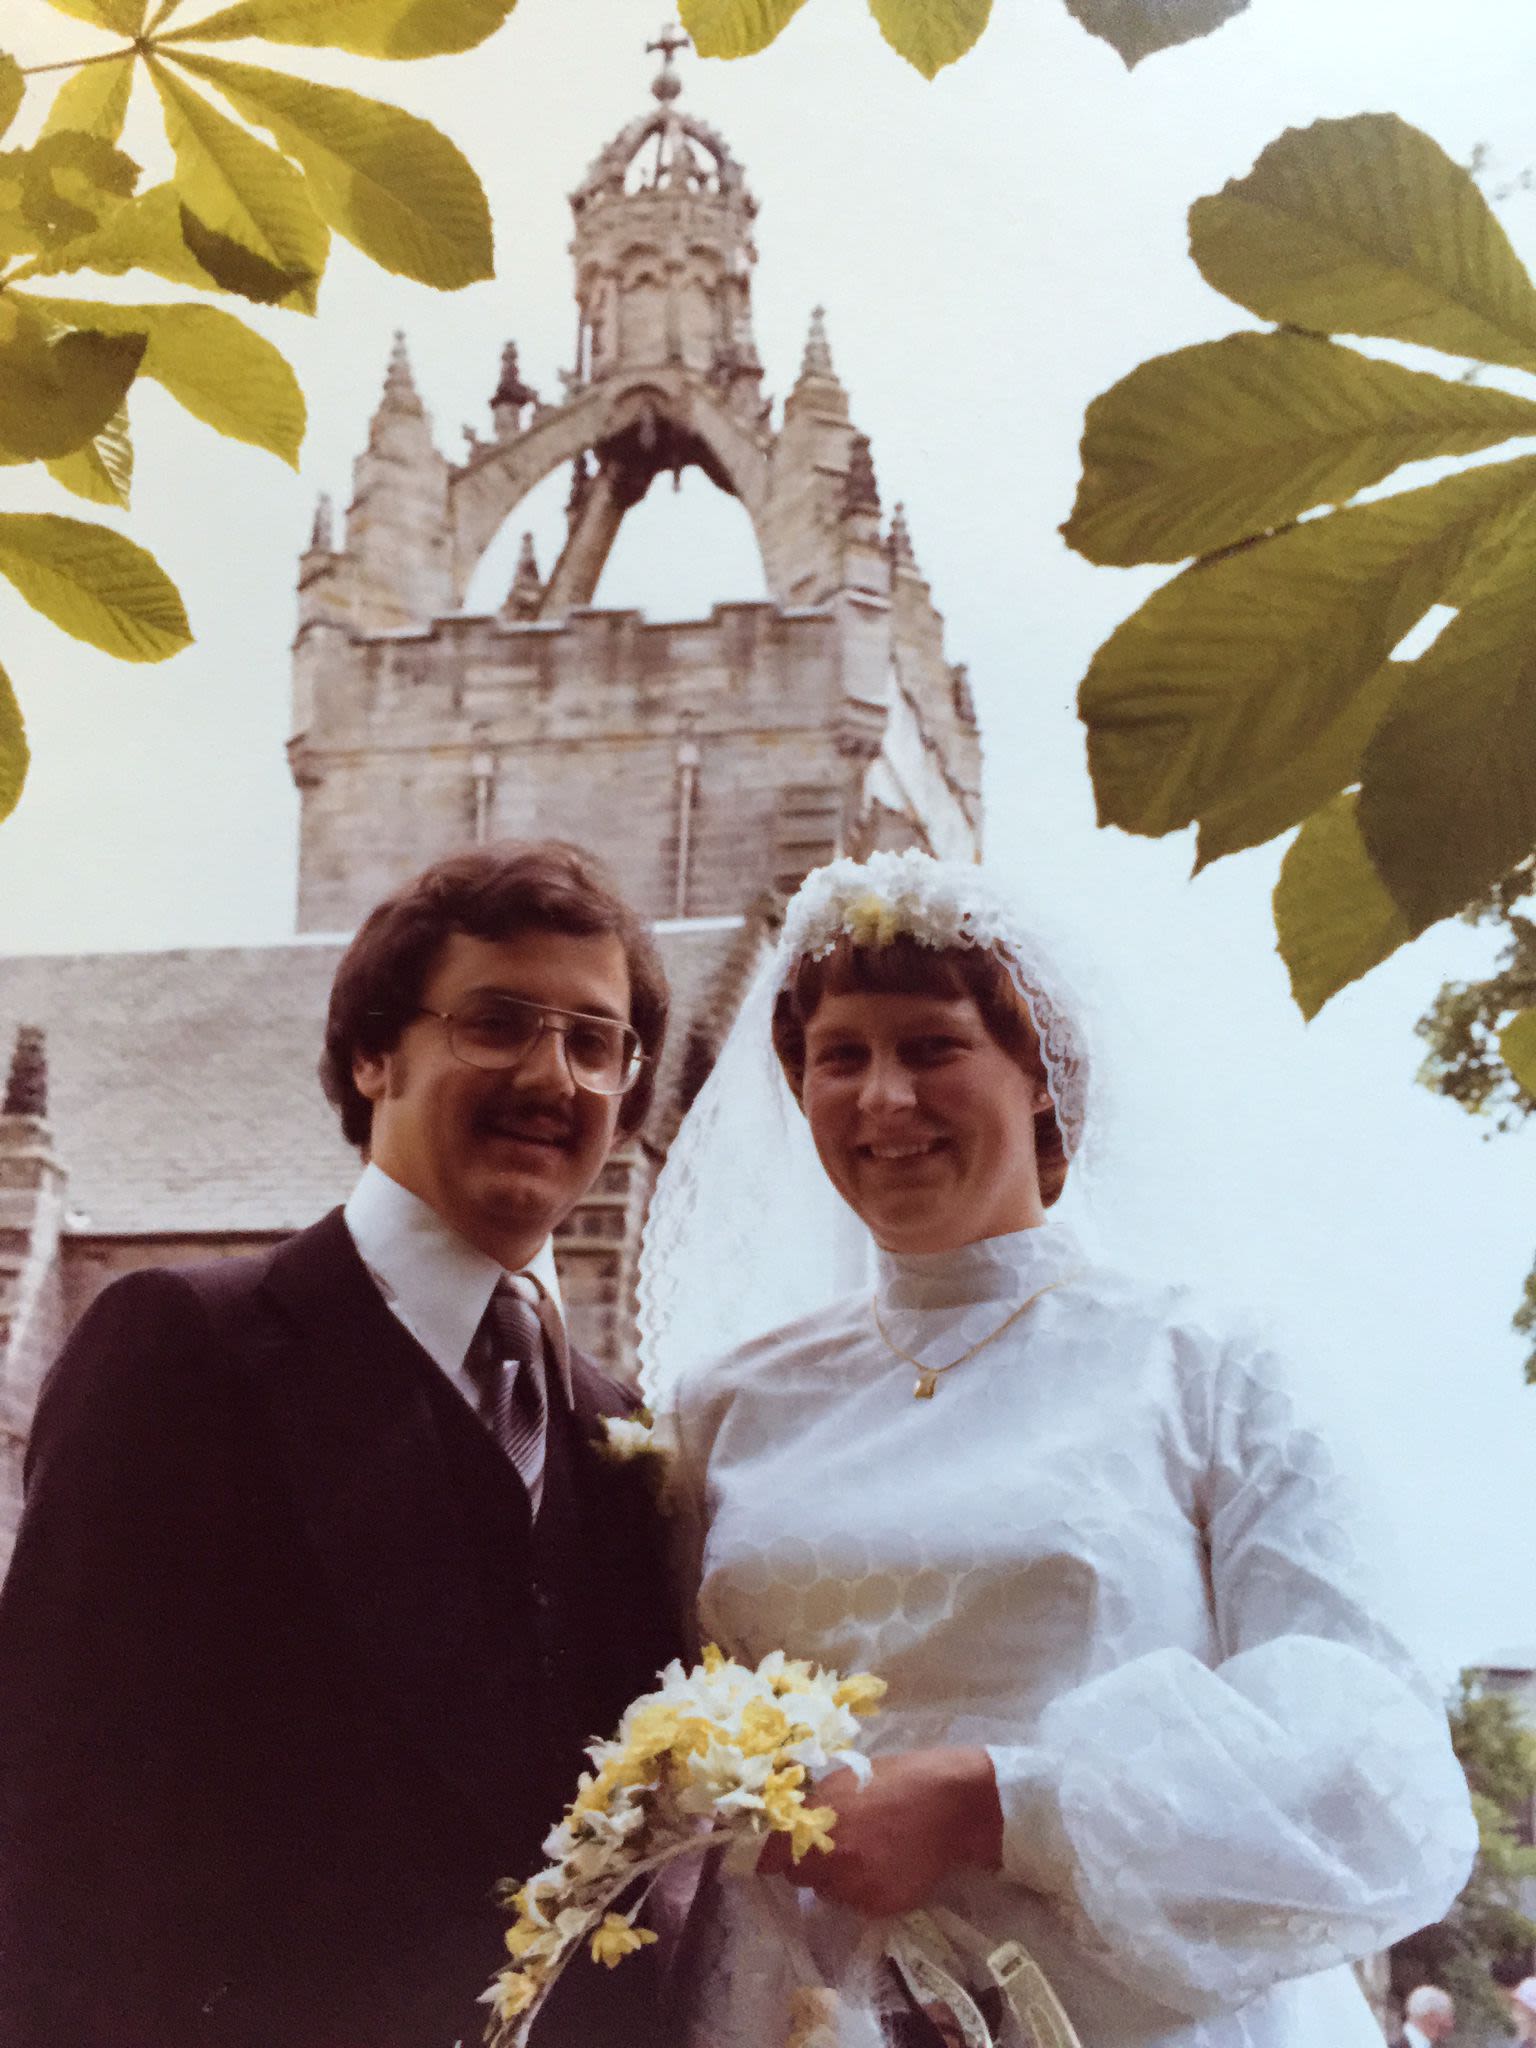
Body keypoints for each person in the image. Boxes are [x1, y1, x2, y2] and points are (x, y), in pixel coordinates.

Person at [651, 848, 1478, 2048]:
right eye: (842, 1056)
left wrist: (999, 1800)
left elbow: (1370, 1770)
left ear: (1040, 1076)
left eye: (932, 1047)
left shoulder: (1206, 1364)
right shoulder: (728, 1401)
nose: (885, 1097)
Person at [0, 840, 683, 2048]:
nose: (552, 1074)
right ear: (374, 1052)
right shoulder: (185, 1345)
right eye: (496, 1023)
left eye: (595, 1041)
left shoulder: (617, 1429)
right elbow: (54, 1824)